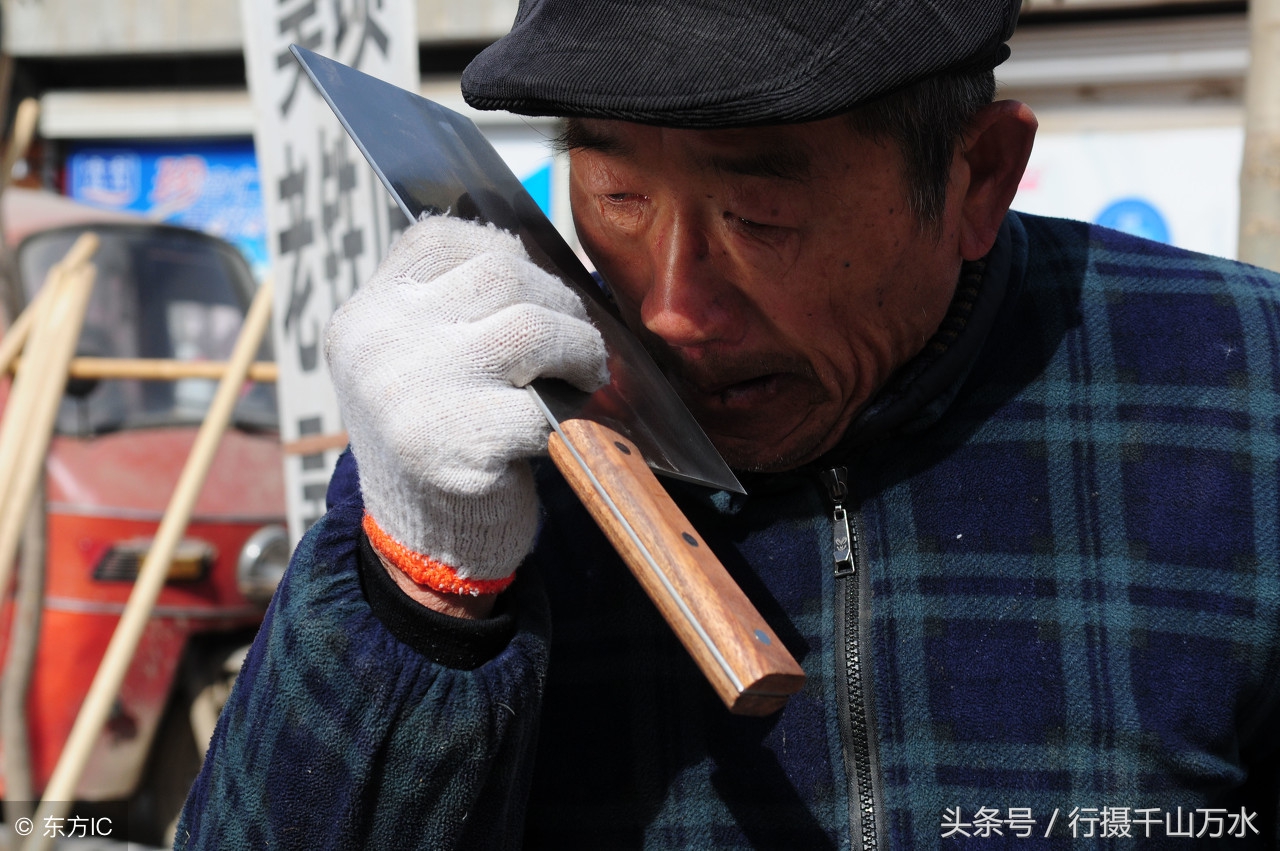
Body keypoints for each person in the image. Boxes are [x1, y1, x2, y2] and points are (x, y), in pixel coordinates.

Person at [176, 0, 1280, 848]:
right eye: (615, 197)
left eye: (761, 217)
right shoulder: (486, 420)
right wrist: (421, 595)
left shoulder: (1237, 381)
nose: (668, 308)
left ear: (976, 174)